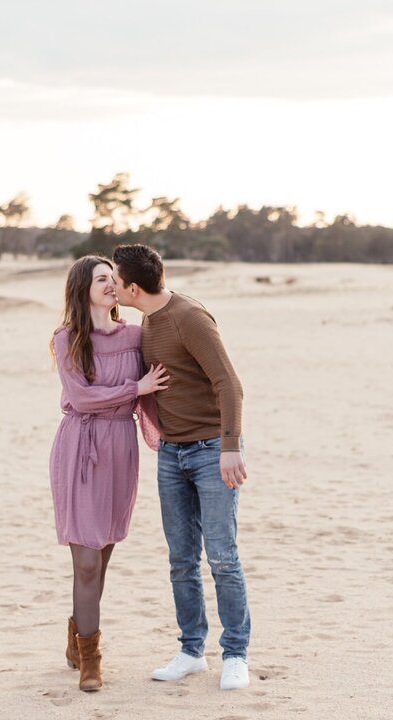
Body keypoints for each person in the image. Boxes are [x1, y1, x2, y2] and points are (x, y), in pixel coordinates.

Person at [111, 244, 252, 691]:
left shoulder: (189, 317)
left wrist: (230, 445)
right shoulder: (146, 321)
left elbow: (228, 382)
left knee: (223, 558)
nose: (112, 285)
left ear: (133, 287)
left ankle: (235, 655)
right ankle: (192, 650)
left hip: (213, 451)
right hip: (171, 454)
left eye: (114, 279)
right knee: (181, 560)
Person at [49, 255, 166, 692]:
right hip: (80, 446)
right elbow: (81, 398)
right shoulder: (67, 339)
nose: (110, 285)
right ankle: (91, 659)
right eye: (101, 279)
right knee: (85, 562)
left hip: (120, 446)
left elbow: (163, 377)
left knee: (103, 557)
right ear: (83, 288)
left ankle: (76, 637)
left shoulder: (136, 336)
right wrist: (134, 389)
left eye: (112, 279)